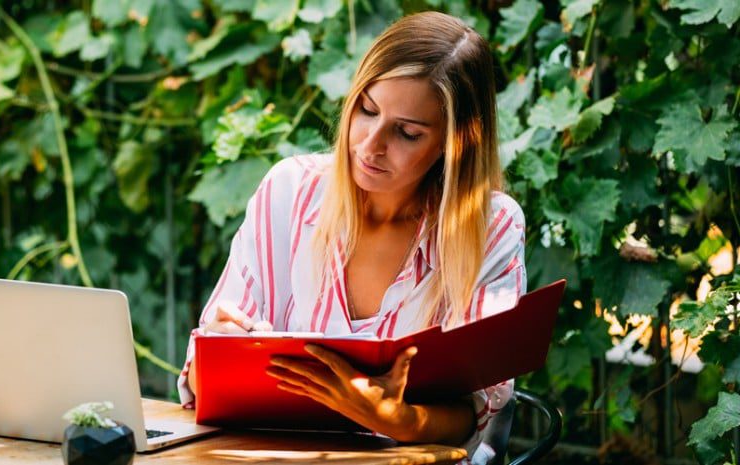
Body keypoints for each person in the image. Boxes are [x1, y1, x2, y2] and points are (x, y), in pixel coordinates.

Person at [178, 11, 526, 465]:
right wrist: (221, 353)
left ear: (456, 141)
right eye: (367, 110)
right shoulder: (290, 191)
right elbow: (202, 382)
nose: (369, 145)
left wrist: (394, 418)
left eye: (406, 132)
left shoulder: (488, 226)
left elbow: (473, 415)